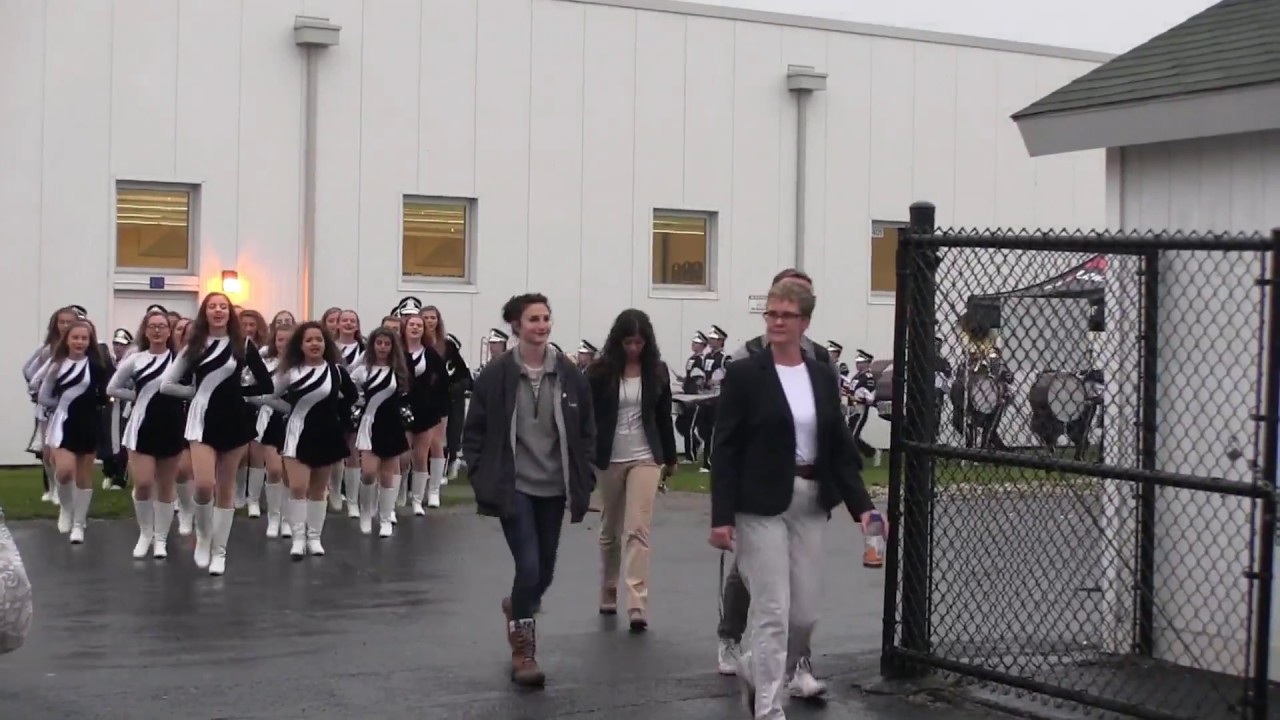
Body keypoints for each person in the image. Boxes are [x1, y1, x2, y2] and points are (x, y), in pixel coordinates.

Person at [709, 278, 878, 719]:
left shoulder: (821, 375)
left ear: (805, 321)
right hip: (758, 504)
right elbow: (724, 446)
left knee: (802, 616)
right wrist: (721, 516)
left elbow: (839, 446)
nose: (777, 322)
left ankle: (753, 666)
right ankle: (768, 708)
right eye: (771, 314)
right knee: (772, 610)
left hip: (809, 501)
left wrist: (864, 509)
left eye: (786, 315)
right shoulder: (746, 374)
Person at [462, 292, 596, 688]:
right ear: (516, 325)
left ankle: (518, 605)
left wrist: (584, 473)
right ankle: (524, 651)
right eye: (533, 319)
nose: (541, 326)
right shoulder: (497, 374)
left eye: (546, 319)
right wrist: (481, 474)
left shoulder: (568, 374)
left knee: (545, 572)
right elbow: (476, 432)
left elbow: (586, 429)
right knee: (529, 565)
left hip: (554, 486)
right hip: (514, 485)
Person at [716, 268, 837, 686]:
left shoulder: (820, 361)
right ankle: (733, 639)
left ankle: (793, 663)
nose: (782, 318)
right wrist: (726, 508)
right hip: (761, 488)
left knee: (800, 596)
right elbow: (730, 433)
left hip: (806, 489)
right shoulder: (748, 356)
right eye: (776, 308)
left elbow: (830, 426)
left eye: (796, 304)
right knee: (755, 583)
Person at [585, 309, 677, 631]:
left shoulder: (657, 372)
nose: (634, 349)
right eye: (628, 342)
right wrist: (586, 453)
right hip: (610, 457)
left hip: (646, 456)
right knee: (610, 528)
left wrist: (671, 457)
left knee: (638, 529)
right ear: (618, 341)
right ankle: (608, 587)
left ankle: (637, 601)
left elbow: (664, 417)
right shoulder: (600, 372)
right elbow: (588, 416)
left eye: (639, 342)